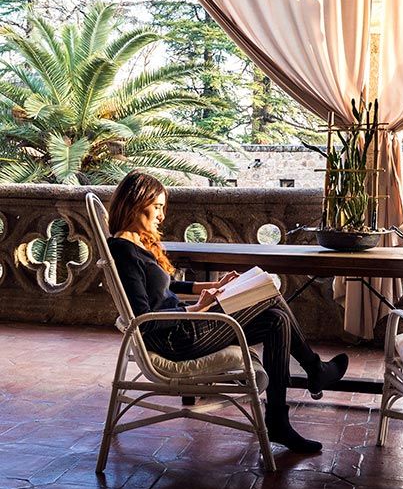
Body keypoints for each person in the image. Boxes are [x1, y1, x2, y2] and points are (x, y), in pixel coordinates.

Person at [106, 170, 348, 454]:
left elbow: (165, 287)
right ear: (135, 203)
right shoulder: (123, 250)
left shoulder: (136, 244)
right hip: (176, 338)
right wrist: (197, 309)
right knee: (268, 294)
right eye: (157, 206)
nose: (161, 215)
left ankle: (280, 419)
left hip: (182, 328)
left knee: (276, 320)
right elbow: (143, 321)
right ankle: (313, 372)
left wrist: (214, 286)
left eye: (163, 208)